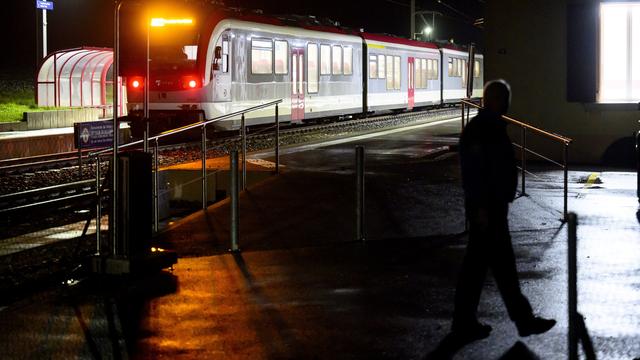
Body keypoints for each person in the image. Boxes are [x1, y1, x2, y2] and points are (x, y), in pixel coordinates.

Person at [452, 79, 556, 342]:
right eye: (505, 99)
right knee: (488, 268)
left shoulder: (487, 127)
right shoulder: (484, 130)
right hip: (488, 210)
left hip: (491, 208)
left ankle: (472, 322)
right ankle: (517, 322)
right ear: (496, 100)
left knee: (491, 268)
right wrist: (482, 209)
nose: (508, 104)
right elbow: (476, 172)